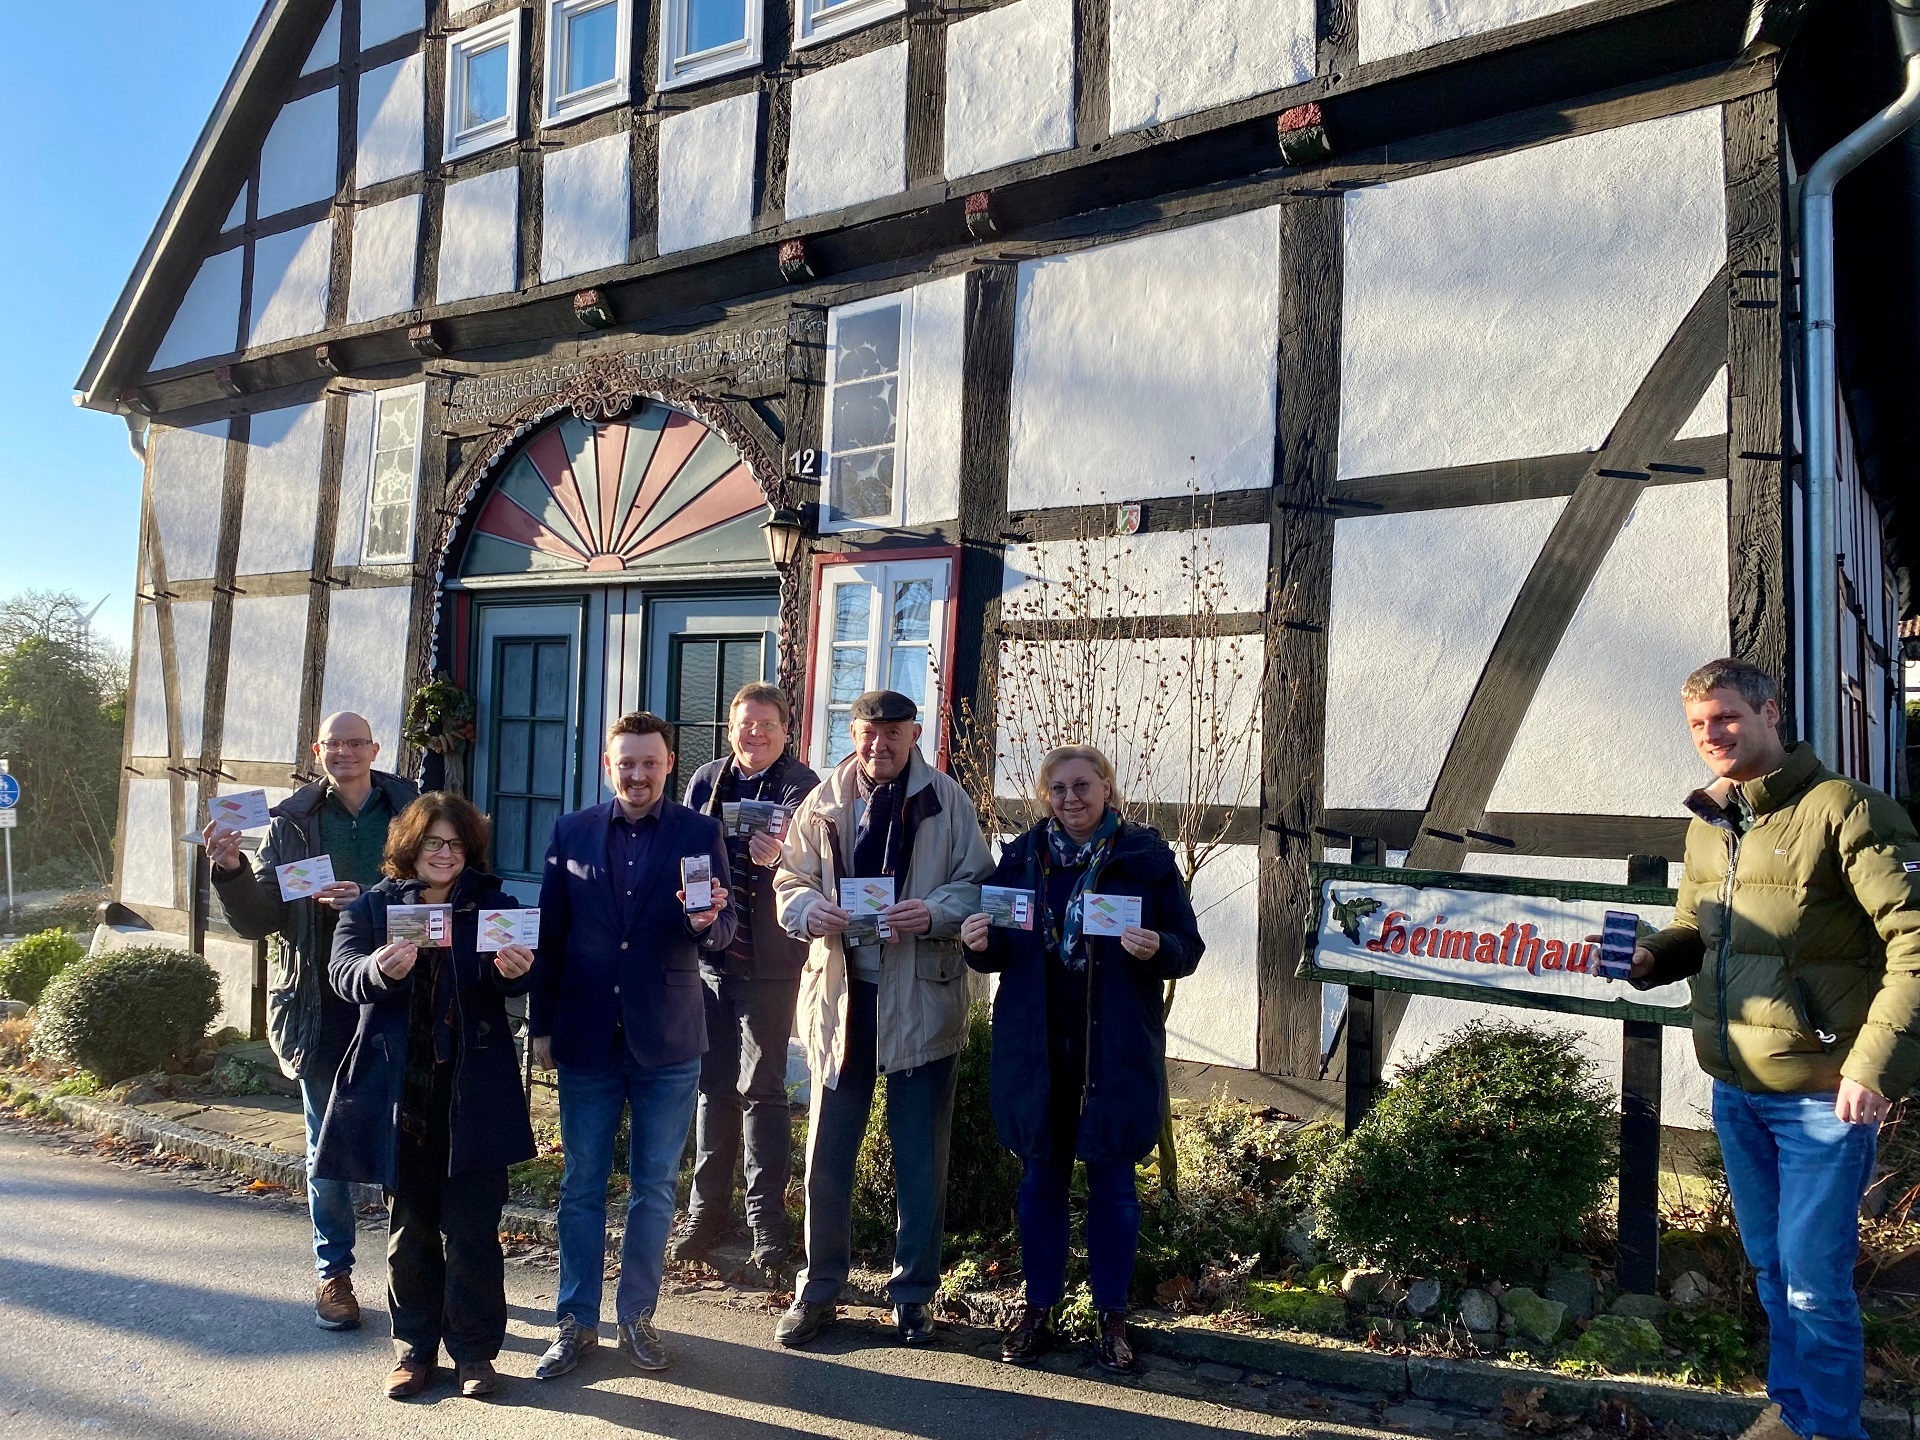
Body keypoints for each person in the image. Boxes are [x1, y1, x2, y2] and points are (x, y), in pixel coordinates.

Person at [1627, 658, 1920, 1440]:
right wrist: (1655, 957)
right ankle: (1792, 1415)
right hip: (1737, 1090)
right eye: (1696, 725)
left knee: (1816, 1287)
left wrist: (1872, 1065)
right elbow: (1702, 931)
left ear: (1768, 713)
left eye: (1725, 717)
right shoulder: (1711, 822)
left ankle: (1829, 1430)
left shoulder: (1846, 810)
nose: (1710, 735)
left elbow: (1914, 943)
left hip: (1824, 1097)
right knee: (1774, 1275)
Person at [960, 745, 1203, 1374]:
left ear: (1107, 789)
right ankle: (1038, 1309)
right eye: (1059, 789)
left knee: (1114, 1186)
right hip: (1038, 1046)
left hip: (1113, 1046)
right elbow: (996, 952)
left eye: (1083, 786)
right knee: (1040, 1180)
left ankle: (1111, 1315)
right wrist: (976, 944)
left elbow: (1188, 945)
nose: (1072, 799)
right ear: (1046, 796)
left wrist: (1159, 949)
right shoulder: (1021, 860)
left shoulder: (1143, 860)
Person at [771, 689, 994, 1348]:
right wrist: (808, 912)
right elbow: (790, 882)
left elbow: (978, 882)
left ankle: (914, 1296)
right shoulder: (824, 801)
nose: (879, 746)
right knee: (827, 1159)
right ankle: (818, 1289)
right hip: (842, 1003)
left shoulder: (947, 800)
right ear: (854, 733)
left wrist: (935, 912)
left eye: (892, 735)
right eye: (869, 734)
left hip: (921, 997)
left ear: (914, 734)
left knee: (920, 1159)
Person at [529, 712, 735, 1378]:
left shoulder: (699, 832)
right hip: (587, 1037)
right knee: (582, 1186)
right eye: (627, 764)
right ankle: (574, 1322)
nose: (638, 775)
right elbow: (550, 939)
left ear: (669, 764)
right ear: (608, 765)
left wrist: (707, 923)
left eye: (650, 763)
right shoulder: (570, 834)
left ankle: (637, 1318)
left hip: (668, 1038)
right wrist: (540, 1029)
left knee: (654, 1188)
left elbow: (721, 928)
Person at [316, 793, 537, 1401]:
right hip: (401, 1097)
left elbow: (516, 973)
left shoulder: (492, 906)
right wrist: (381, 971)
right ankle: (413, 1349)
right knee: (409, 1230)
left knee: (473, 1232)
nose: (445, 854)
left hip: (474, 1094)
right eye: (434, 842)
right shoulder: (371, 907)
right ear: (410, 846)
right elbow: (343, 977)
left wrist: (517, 970)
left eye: (456, 844)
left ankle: (474, 1354)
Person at [205, 710, 417, 1330]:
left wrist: (373, 901)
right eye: (334, 744)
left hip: (394, 997)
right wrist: (230, 869)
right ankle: (335, 1275)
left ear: (375, 749)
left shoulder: (412, 810)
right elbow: (259, 916)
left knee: (404, 1139)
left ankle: (412, 1276)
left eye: (357, 743)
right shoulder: (290, 823)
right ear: (318, 750)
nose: (345, 752)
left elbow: (438, 885)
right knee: (325, 1148)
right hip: (317, 1005)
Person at [677, 682, 820, 1281]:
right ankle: (706, 1216)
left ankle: (767, 1229)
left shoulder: (804, 786)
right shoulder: (706, 781)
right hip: (709, 957)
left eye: (766, 725)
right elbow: (682, 850)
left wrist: (782, 857)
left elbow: (820, 867)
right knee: (713, 1089)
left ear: (785, 731)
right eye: (744, 725)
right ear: (729, 728)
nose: (754, 735)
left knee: (762, 1090)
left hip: (768, 961)